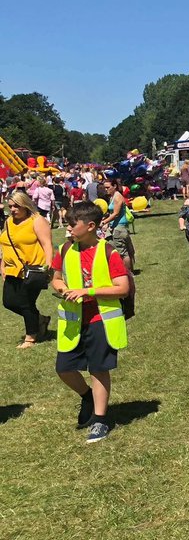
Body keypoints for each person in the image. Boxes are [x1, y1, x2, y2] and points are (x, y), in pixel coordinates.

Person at [50, 201, 131, 444]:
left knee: (98, 369)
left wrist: (89, 292)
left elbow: (123, 288)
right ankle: (87, 396)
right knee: (64, 368)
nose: (68, 228)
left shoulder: (108, 252)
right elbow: (55, 278)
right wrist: (62, 287)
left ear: (91, 226)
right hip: (74, 321)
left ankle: (100, 419)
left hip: (101, 320)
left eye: (73, 224)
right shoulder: (65, 249)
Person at [2, 189, 53, 348]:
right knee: (9, 302)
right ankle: (40, 320)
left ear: (26, 205)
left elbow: (47, 244)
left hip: (33, 269)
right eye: (10, 206)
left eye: (17, 206)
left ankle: (30, 337)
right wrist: (2, 265)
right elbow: (6, 244)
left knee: (25, 302)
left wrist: (48, 266)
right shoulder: (9, 221)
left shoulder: (37, 220)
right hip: (12, 269)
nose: (13, 210)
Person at [100, 178, 135, 274]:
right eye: (105, 187)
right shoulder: (113, 196)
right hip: (115, 226)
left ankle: (128, 273)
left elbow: (115, 213)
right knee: (117, 250)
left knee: (122, 252)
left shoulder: (117, 196)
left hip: (119, 228)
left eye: (108, 187)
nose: (106, 189)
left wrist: (103, 222)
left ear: (114, 186)